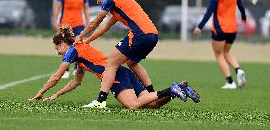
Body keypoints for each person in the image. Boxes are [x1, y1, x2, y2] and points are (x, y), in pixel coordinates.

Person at [28, 26, 200, 109]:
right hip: (123, 71)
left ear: (64, 44)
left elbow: (56, 76)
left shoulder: (72, 51)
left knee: (132, 105)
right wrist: (56, 95)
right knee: (152, 105)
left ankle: (173, 88)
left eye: (57, 48)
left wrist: (40, 94)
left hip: (115, 75)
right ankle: (179, 89)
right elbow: (76, 82)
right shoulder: (79, 53)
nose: (58, 52)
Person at [74, 0, 159, 107]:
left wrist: (80, 36)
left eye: (98, 0)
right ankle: (152, 94)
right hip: (152, 35)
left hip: (140, 34)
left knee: (111, 63)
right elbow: (104, 27)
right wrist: (87, 41)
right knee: (132, 63)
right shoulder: (120, 1)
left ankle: (100, 101)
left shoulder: (111, 0)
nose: (99, 3)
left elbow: (94, 23)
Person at [194, 0, 258, 89]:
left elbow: (210, 10)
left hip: (220, 27)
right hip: (232, 28)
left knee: (219, 54)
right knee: (227, 52)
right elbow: (240, 5)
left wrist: (200, 26)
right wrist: (244, 16)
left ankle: (230, 82)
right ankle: (238, 70)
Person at [52, 0, 90, 78]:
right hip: (65, 25)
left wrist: (88, 23)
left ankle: (77, 68)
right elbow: (57, 8)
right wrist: (55, 21)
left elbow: (86, 9)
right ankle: (66, 70)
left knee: (78, 46)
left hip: (79, 24)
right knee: (65, 48)